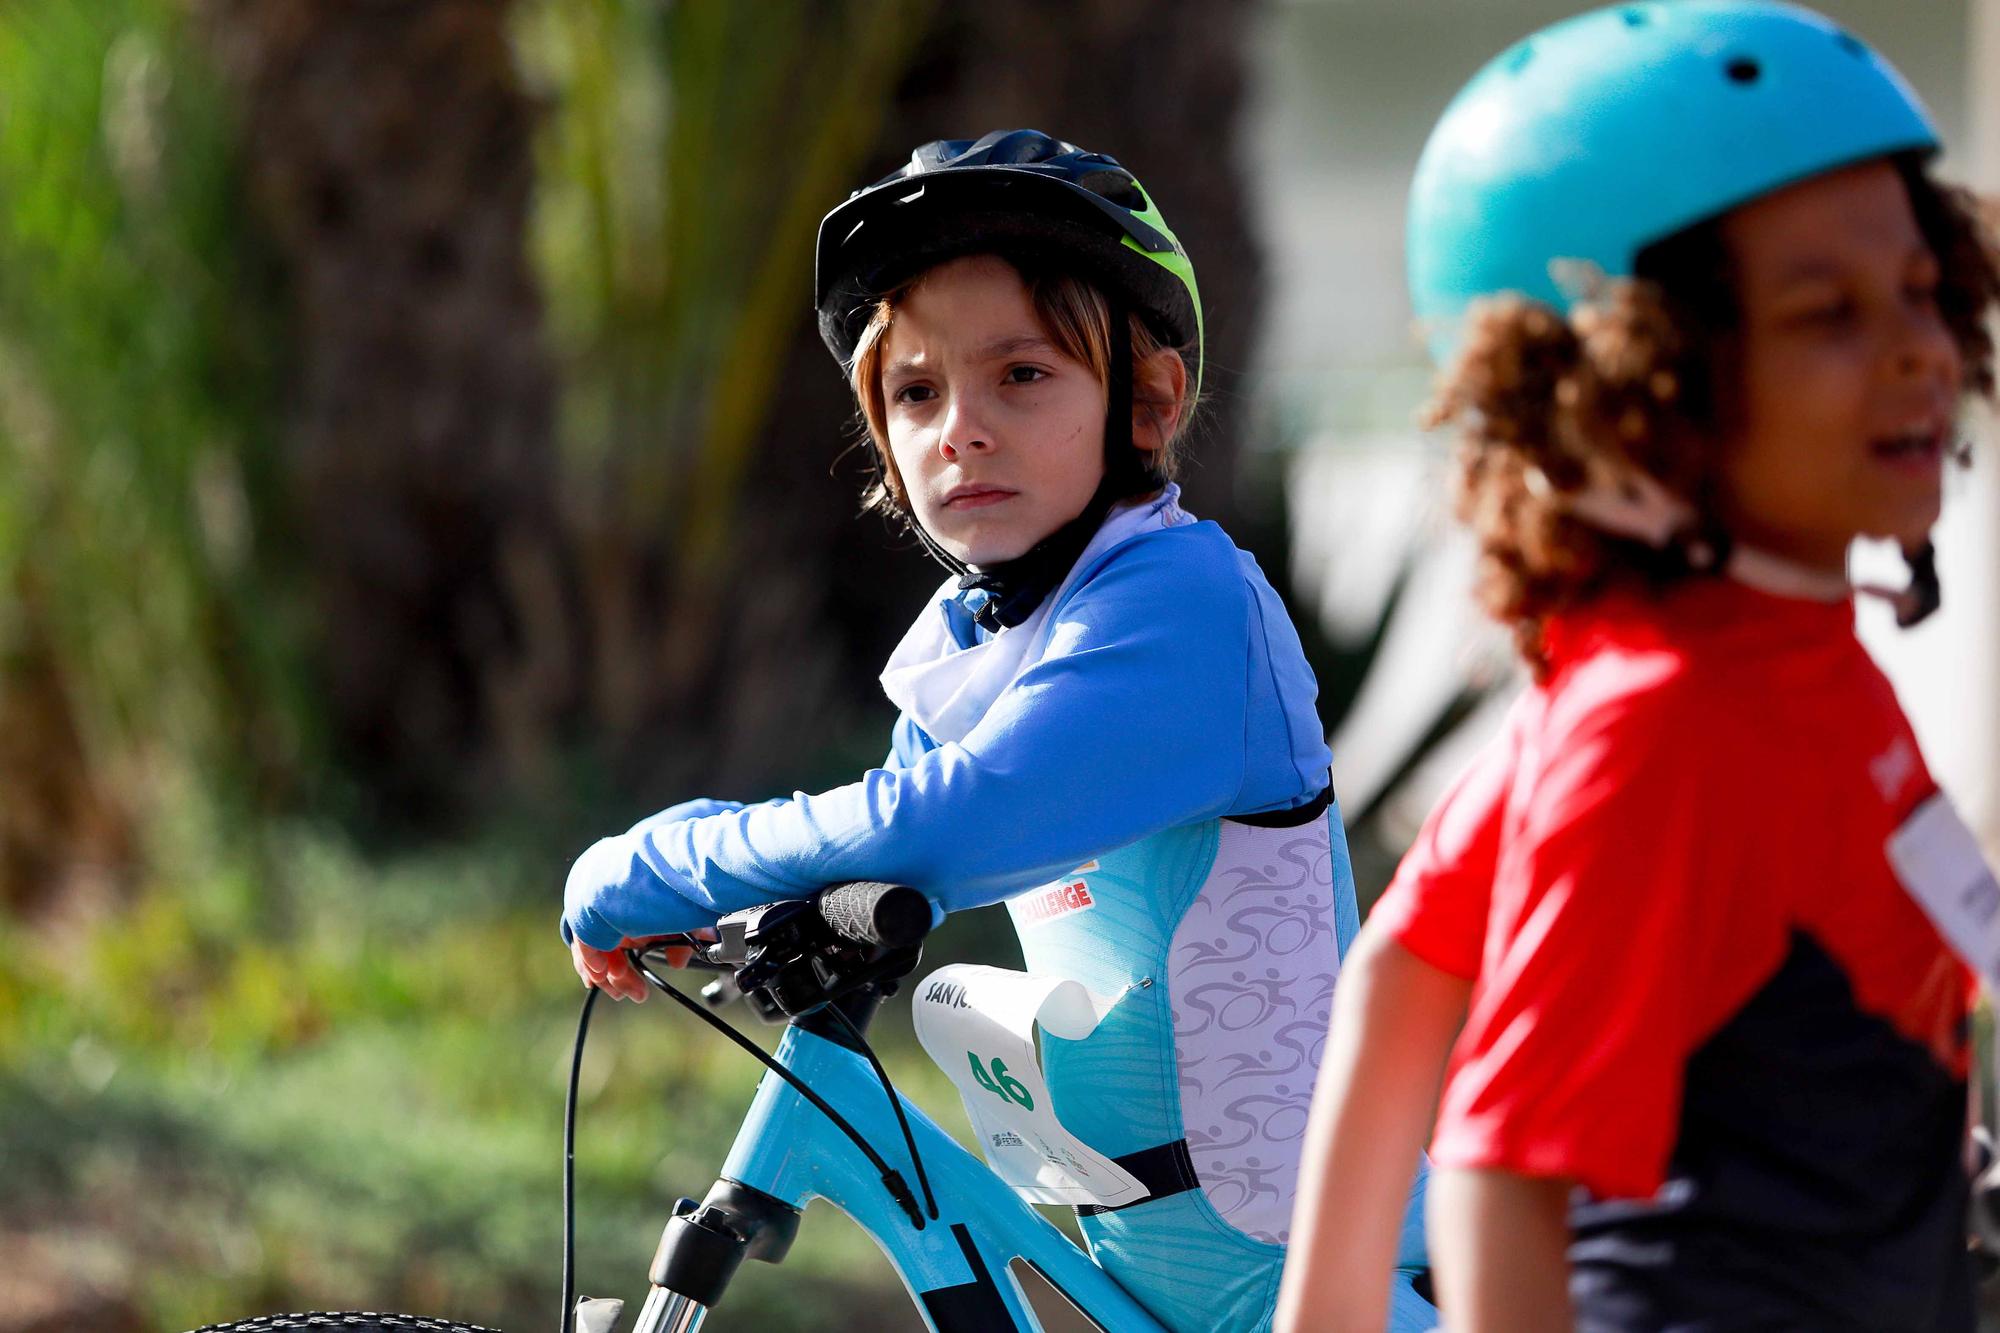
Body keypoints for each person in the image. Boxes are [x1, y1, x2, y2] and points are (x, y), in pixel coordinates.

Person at [558, 129, 1434, 1332]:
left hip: (1345, 1278)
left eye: (1020, 375)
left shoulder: (1183, 601)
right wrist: (727, 904)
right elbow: (882, 844)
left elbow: (953, 824)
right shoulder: (983, 627)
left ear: (1151, 399)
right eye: (915, 391)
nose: (959, 426)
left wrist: (662, 857)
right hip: (1168, 1271)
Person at [1275, 3, 2000, 1330]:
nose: (1919, 350)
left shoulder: (1766, 657)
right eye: (1826, 311)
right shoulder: (1656, 729)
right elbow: (1502, 1162)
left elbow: (1404, 961)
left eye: (1921, 290)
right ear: (1627, 389)